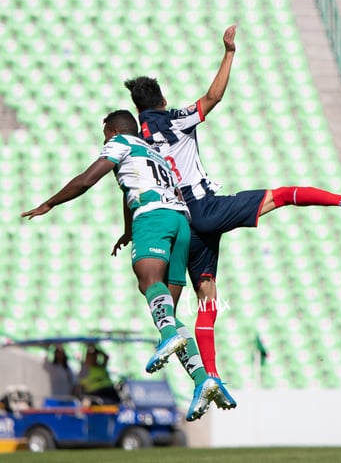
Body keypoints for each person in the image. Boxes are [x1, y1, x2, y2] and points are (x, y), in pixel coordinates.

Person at [121, 25, 341, 409]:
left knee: (206, 299)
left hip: (176, 224)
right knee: (279, 197)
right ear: (161, 98)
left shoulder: (137, 140)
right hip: (204, 208)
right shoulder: (174, 118)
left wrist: (128, 230)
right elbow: (213, 97)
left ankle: (207, 378)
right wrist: (228, 52)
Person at [21, 109, 223, 422]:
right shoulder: (152, 152)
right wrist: (128, 232)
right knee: (166, 312)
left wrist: (50, 202)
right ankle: (203, 379)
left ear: (114, 131)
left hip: (153, 217)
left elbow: (87, 180)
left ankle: (170, 336)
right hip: (181, 222)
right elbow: (129, 188)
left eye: (105, 136)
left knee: (147, 280)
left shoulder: (120, 143)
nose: (105, 142)